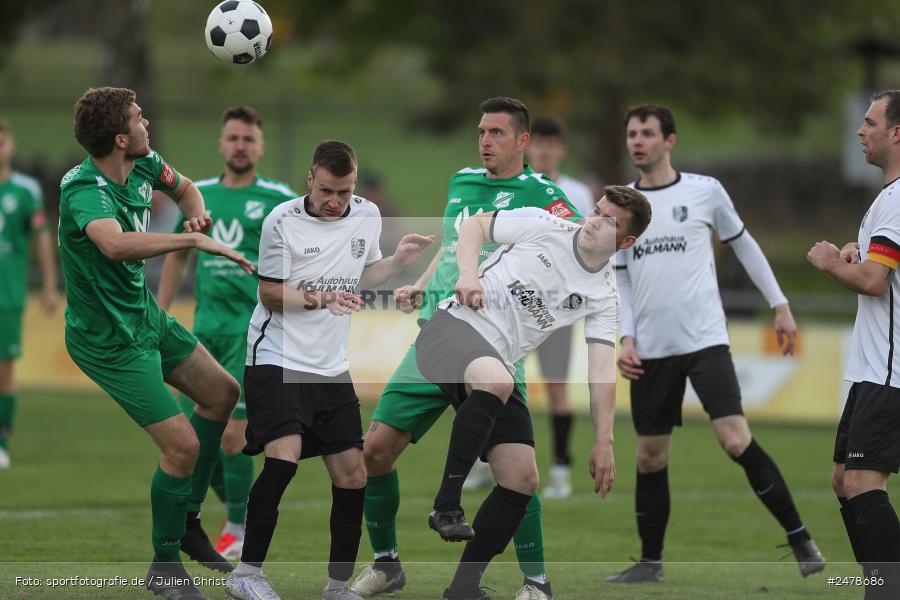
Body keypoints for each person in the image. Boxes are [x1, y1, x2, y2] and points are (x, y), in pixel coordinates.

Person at [351, 97, 581, 600]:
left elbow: (582, 246)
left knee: (517, 473)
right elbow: (457, 246)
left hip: (495, 345)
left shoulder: (545, 196)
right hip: (436, 336)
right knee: (374, 451)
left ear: (523, 141)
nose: (484, 141)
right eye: (481, 132)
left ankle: (536, 582)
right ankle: (387, 565)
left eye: (496, 133)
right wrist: (422, 285)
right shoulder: (462, 181)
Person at [606, 104, 825, 584]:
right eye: (632, 134)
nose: (637, 141)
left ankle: (800, 538)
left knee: (734, 438)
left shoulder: (704, 191)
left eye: (647, 133)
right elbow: (619, 277)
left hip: (705, 339)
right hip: (651, 350)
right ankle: (650, 563)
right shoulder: (622, 206)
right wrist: (626, 338)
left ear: (670, 140)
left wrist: (780, 304)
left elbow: (743, 243)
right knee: (650, 456)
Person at [58, 87, 255, 600]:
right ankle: (164, 566)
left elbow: (187, 190)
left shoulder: (144, 163)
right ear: (120, 138)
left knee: (222, 393)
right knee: (182, 446)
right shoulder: (84, 189)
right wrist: (190, 239)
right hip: (107, 341)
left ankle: (186, 520)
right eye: (138, 117)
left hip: (145, 317)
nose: (147, 122)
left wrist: (196, 215)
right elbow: (114, 245)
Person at [416, 186, 650, 600]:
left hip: (494, 365)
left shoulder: (604, 294)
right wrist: (468, 275)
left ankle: (463, 588)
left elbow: (601, 372)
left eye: (608, 221)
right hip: (448, 332)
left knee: (522, 478)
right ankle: (446, 505)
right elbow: (474, 226)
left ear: (626, 241)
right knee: (498, 382)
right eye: (596, 210)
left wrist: (604, 441)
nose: (594, 221)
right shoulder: (544, 225)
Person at [224, 140, 432, 600]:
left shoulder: (368, 214)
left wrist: (396, 263)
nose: (335, 201)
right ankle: (246, 574)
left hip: (330, 365)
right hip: (276, 356)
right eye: (326, 191)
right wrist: (323, 298)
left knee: (353, 474)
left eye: (344, 191)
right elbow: (270, 293)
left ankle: (337, 587)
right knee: (284, 458)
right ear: (310, 180)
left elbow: (362, 274)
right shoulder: (281, 220)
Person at [157, 105, 298, 561]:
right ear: (221, 143)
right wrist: (159, 311)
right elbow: (178, 251)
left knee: (235, 437)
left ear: (261, 146)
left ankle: (236, 528)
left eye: (248, 139)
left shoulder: (279, 199)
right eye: (233, 138)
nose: (240, 146)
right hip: (203, 330)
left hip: (250, 331)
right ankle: (222, 515)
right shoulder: (199, 195)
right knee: (192, 438)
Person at [808, 90, 900, 599]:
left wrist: (830, 264)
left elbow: (873, 281)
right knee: (845, 478)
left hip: (890, 367)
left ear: (897, 133)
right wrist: (854, 254)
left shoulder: (898, 198)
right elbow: (877, 266)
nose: (860, 131)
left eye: (870, 122)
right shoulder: (887, 197)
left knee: (864, 483)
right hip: (873, 366)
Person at [524, 115, 596, 499]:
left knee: (556, 392)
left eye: (551, 143)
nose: (545, 150)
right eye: (539, 143)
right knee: (496, 386)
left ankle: (561, 468)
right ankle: (488, 463)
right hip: (515, 305)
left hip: (555, 309)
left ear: (561, 150)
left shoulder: (578, 193)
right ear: (528, 146)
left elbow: (588, 247)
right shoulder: (517, 187)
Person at [0, 120, 59, 469]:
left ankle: (1, 442)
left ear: (11, 146)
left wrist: (50, 287)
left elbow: (41, 237)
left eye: (2, 141)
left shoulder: (25, 190)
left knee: (4, 371)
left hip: (7, 296)